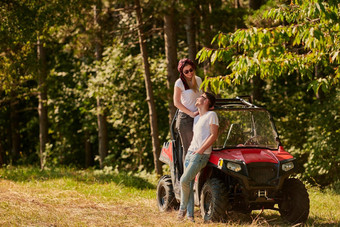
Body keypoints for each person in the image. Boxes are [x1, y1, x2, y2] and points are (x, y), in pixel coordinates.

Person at [177, 92, 219, 222]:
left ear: (207, 101)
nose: (198, 97)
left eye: (202, 96)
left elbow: (214, 135)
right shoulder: (197, 118)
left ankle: (182, 209)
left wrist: (200, 150)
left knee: (184, 180)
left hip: (201, 155)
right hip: (190, 152)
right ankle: (190, 216)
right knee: (188, 183)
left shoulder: (212, 115)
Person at [174, 58, 202, 164]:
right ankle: (187, 178)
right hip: (185, 119)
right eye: (186, 71)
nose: (189, 73)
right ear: (182, 72)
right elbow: (176, 102)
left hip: (199, 117)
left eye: (191, 70)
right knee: (189, 149)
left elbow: (202, 96)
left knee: (201, 148)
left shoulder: (198, 80)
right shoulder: (179, 83)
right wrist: (191, 113)